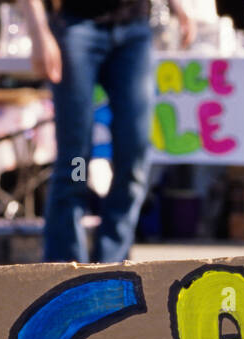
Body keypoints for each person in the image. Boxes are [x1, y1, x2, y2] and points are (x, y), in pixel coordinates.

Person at [21, 0, 195, 263]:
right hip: (76, 25)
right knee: (75, 159)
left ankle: (113, 264)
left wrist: (180, 8)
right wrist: (39, 32)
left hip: (134, 28)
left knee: (134, 154)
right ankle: (66, 268)